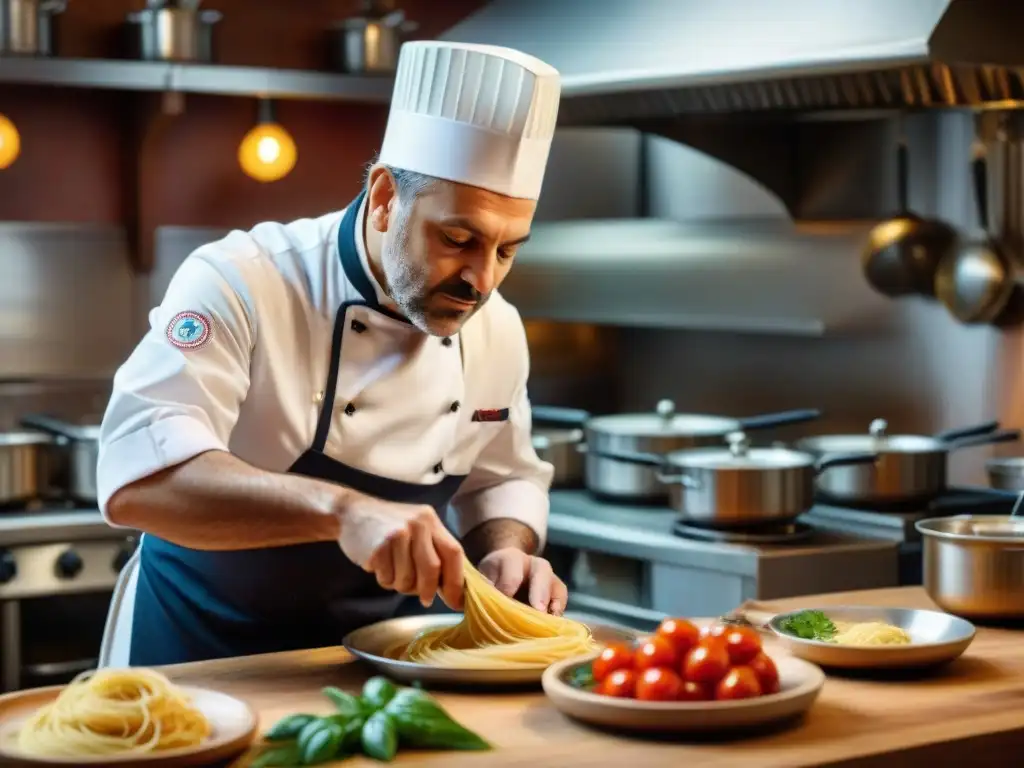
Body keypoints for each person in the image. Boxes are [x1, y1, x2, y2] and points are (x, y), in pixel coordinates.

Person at [96, 40, 567, 666]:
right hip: (198, 657)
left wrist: (506, 548)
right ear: (383, 199)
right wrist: (342, 511)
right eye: (457, 239)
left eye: (507, 250)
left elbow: (501, 478)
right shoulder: (244, 281)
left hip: (380, 673)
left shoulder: (498, 328)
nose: (481, 280)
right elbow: (140, 481)